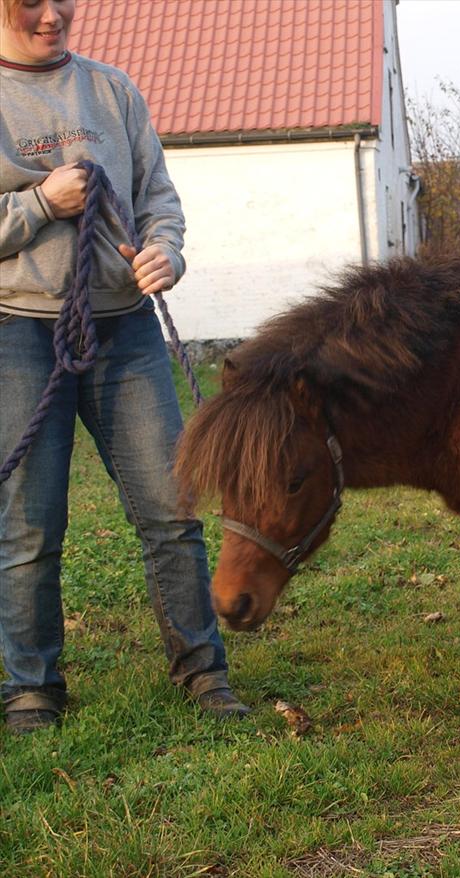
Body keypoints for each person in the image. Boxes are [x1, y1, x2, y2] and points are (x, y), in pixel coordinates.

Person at [0, 0, 248, 733]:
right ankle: (32, 689)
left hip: (126, 333)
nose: (53, 16)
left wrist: (166, 251)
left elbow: (158, 200)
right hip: (17, 331)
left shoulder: (113, 91)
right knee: (27, 527)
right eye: (32, 4)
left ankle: (203, 671)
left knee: (173, 513)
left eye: (61, 1)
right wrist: (43, 201)